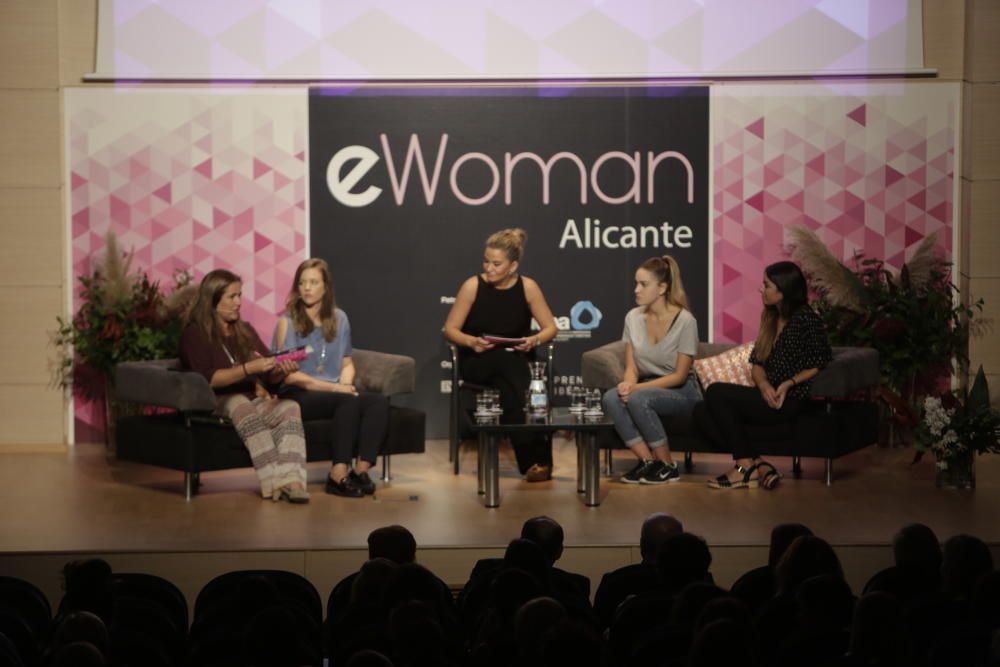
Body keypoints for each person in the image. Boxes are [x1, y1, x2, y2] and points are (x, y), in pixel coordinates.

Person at [695, 261, 832, 490]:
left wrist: (788, 383)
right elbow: (757, 363)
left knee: (716, 392)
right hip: (767, 394)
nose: (761, 289)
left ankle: (744, 467)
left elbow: (820, 361)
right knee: (700, 412)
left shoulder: (806, 319)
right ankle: (754, 464)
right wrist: (763, 384)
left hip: (789, 400)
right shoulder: (769, 317)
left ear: (783, 289)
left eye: (766, 285)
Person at [179, 269, 309, 503]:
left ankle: (293, 481)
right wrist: (249, 368)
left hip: (252, 399)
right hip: (215, 401)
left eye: (240, 295)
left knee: (290, 407)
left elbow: (269, 374)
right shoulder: (194, 333)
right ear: (213, 300)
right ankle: (275, 481)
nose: (239, 302)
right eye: (232, 297)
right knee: (239, 403)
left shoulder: (244, 330)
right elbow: (208, 379)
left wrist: (281, 370)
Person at [443, 228, 558, 482]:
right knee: (518, 376)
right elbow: (450, 329)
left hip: (515, 362)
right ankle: (541, 457)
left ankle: (532, 464)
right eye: (486, 261)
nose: (489, 268)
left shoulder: (528, 287)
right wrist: (471, 342)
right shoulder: (473, 286)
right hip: (478, 360)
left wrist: (533, 340)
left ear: (513, 265)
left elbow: (551, 328)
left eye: (496, 263)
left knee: (510, 387)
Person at [273, 258, 389, 498]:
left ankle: (360, 470)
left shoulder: (340, 318)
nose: (306, 288)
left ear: (325, 287)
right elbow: (291, 377)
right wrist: (336, 390)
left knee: (377, 401)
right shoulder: (288, 321)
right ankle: (337, 475)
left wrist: (345, 384)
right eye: (302, 283)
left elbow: (347, 362)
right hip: (299, 392)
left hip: (332, 390)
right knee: (347, 401)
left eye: (313, 282)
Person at [601, 255, 700, 484]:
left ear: (662, 288)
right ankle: (648, 462)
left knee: (638, 399)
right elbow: (632, 367)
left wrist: (637, 389)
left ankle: (667, 465)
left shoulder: (685, 321)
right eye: (636, 283)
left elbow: (679, 375)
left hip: (682, 390)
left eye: (643, 284)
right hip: (645, 384)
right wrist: (628, 383)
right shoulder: (632, 318)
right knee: (611, 398)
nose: (636, 289)